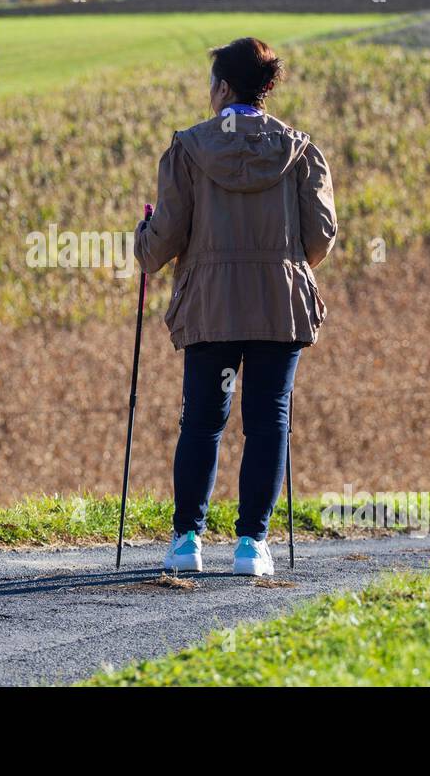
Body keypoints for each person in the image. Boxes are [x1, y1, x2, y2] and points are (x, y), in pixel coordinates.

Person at [134, 37, 337, 576]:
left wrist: (142, 239)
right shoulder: (300, 150)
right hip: (279, 304)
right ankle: (253, 546)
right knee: (269, 420)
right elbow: (320, 237)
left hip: (212, 305)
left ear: (223, 88)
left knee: (202, 420)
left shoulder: (189, 149)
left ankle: (187, 541)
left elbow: (161, 244)